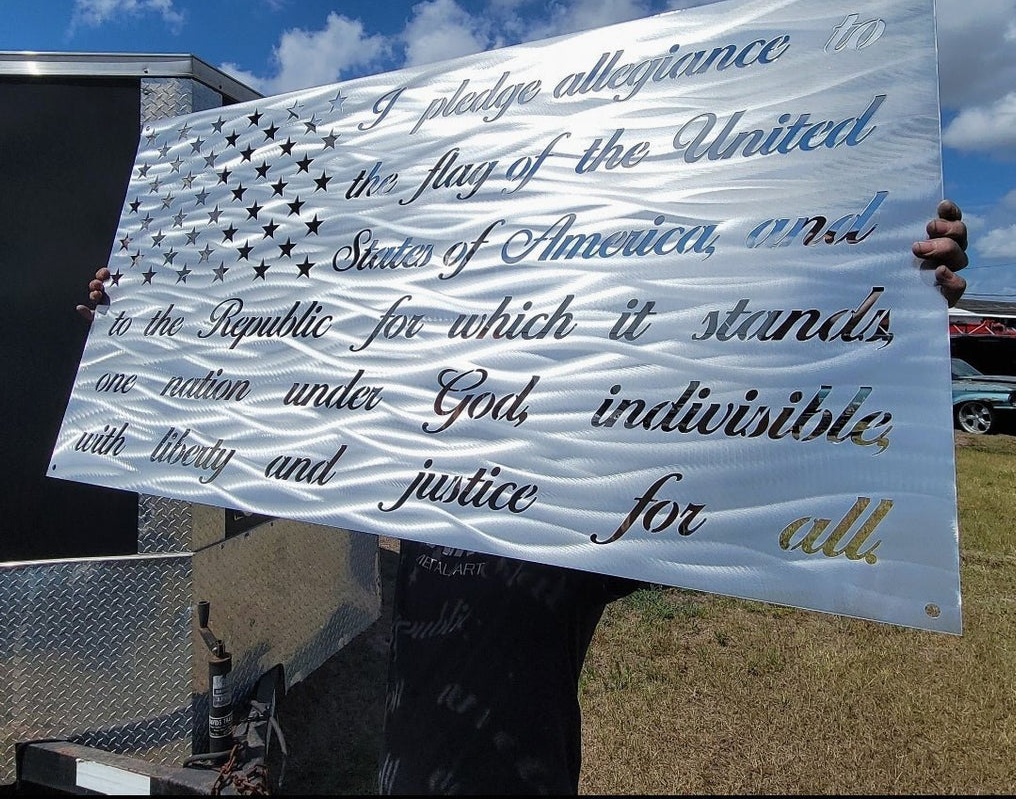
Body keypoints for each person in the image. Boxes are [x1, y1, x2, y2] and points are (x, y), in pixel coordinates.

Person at [79, 199, 970, 796]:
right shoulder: (409, 491)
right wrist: (144, 321)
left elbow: (755, 463)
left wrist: (895, 300)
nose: (469, 386)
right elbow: (261, 404)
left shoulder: (578, 520)